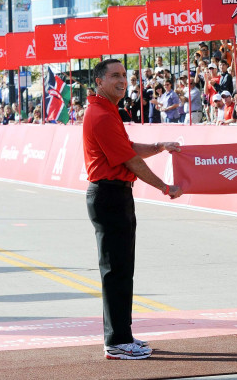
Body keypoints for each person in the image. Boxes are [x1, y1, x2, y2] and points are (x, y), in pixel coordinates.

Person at [83, 59, 182, 360]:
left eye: (124, 75)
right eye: (114, 76)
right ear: (99, 82)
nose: (122, 80)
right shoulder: (100, 114)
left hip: (115, 195)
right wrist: (165, 187)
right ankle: (116, 342)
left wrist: (159, 146)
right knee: (116, 272)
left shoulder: (107, 111)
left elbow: (129, 148)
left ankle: (122, 336)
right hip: (109, 195)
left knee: (122, 270)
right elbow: (131, 162)